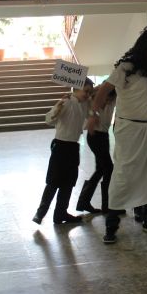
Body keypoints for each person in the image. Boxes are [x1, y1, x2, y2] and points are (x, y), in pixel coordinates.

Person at [88, 27, 147, 244]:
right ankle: (111, 224)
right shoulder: (126, 68)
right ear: (144, 48)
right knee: (124, 175)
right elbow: (103, 91)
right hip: (128, 129)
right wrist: (93, 115)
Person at [33, 79, 94, 224]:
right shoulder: (66, 102)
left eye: (89, 92)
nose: (88, 95)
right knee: (53, 182)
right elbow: (48, 120)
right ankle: (40, 213)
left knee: (69, 183)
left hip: (73, 147)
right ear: (76, 89)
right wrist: (56, 110)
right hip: (60, 146)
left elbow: (91, 110)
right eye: (86, 91)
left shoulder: (84, 104)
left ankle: (60, 214)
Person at [76, 84, 115, 214]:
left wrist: (108, 90)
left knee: (101, 169)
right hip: (94, 136)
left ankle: (84, 201)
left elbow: (112, 83)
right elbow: (83, 96)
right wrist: (99, 91)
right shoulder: (91, 101)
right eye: (106, 98)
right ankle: (107, 205)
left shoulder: (113, 101)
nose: (108, 101)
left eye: (110, 99)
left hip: (104, 136)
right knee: (108, 168)